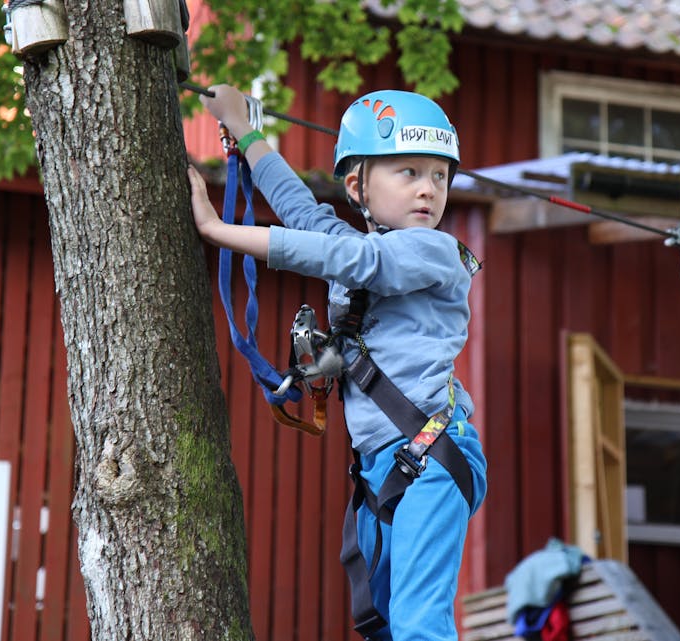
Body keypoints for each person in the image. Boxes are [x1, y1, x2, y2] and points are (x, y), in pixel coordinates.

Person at [187, 84, 488, 641]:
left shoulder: (432, 250)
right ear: (358, 185)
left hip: (432, 460)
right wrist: (247, 133)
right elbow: (301, 211)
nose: (429, 190)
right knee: (382, 625)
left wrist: (217, 231)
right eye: (409, 172)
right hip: (382, 469)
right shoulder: (363, 252)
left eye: (439, 176)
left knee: (421, 626)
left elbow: (352, 257)